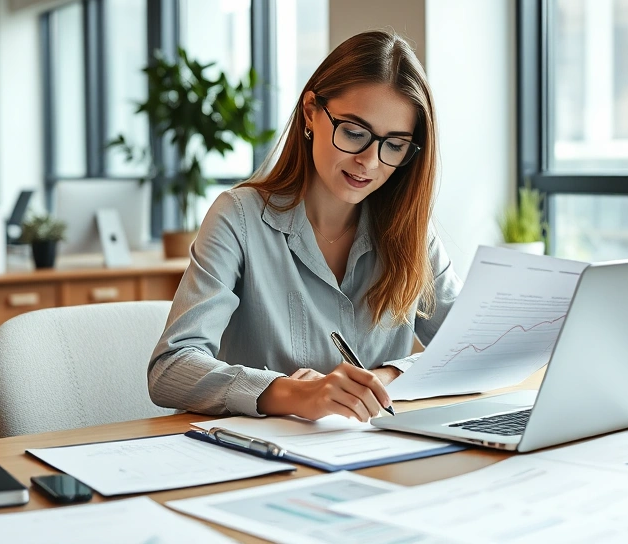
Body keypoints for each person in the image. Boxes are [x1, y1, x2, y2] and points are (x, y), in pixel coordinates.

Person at [147, 30, 462, 422]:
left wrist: (385, 377)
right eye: (353, 132)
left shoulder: (411, 232)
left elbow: (470, 351)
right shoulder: (238, 218)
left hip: (378, 457)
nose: (369, 161)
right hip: (263, 461)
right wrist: (295, 394)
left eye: (394, 144)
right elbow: (170, 370)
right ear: (311, 111)